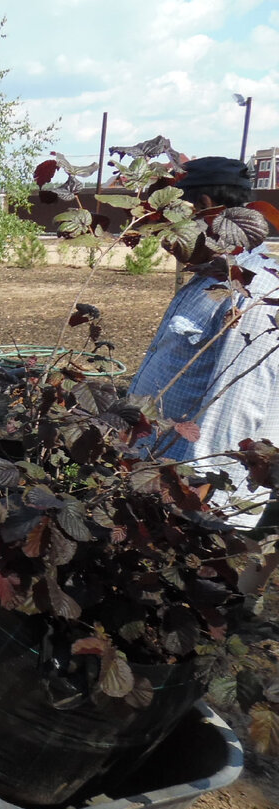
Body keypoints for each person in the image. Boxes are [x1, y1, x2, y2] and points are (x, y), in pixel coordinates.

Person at [129, 155, 279, 542]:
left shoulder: (249, 293)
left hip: (197, 508)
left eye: (167, 223)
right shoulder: (207, 282)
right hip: (161, 481)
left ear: (203, 209)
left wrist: (193, 510)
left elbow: (235, 411)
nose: (162, 241)